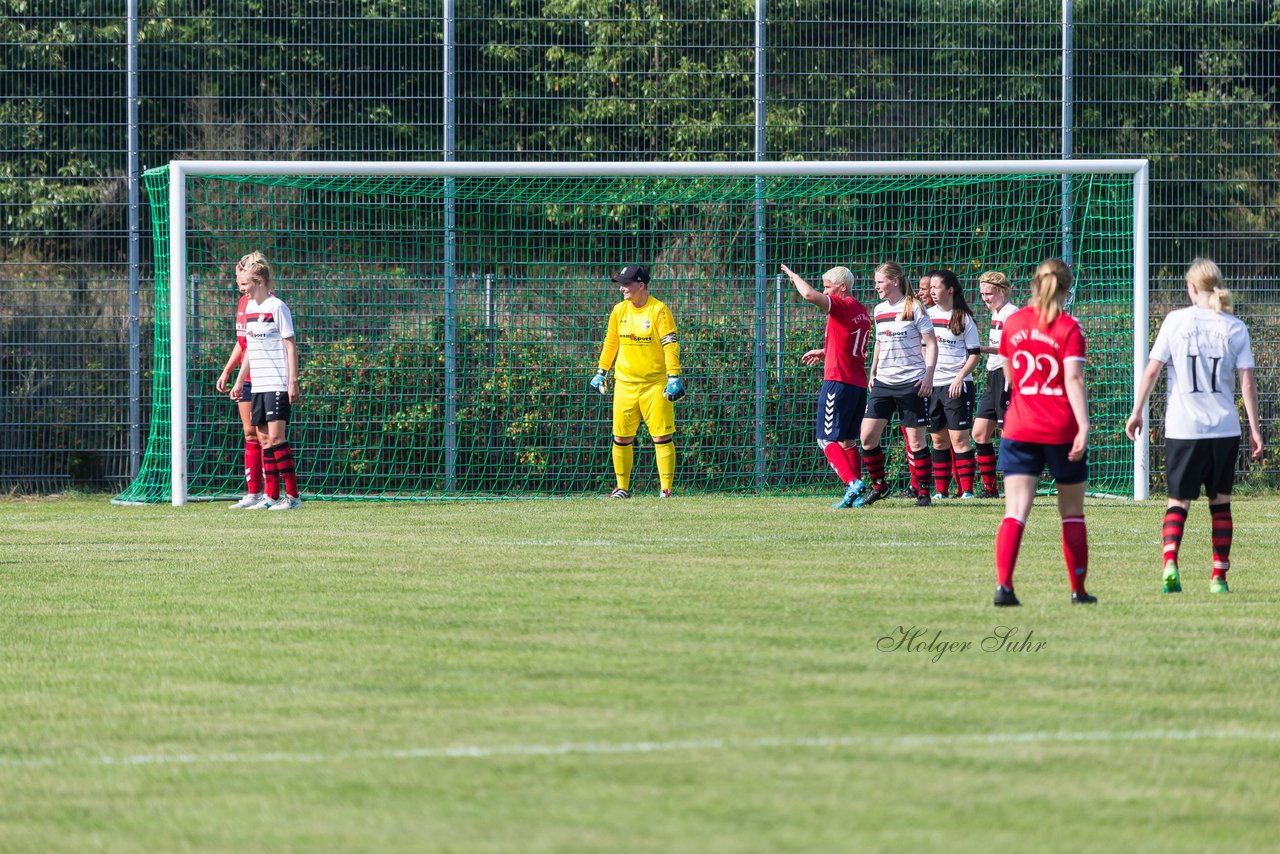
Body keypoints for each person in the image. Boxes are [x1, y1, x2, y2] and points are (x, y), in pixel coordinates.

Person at [1125, 258, 1263, 594]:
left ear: (1191, 289)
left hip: (1183, 429)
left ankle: (1170, 560)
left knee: (1178, 502)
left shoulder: (1175, 322)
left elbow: (1152, 370)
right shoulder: (1234, 326)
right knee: (1220, 504)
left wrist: (1137, 410)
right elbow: (1246, 384)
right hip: (1224, 429)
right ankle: (1218, 578)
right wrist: (1256, 431)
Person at [993, 259, 1094, 606]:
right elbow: (1073, 379)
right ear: (1065, 289)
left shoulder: (1014, 322)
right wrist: (1084, 425)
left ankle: (1004, 587)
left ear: (1034, 283)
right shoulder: (1069, 327)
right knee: (1072, 512)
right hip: (1060, 428)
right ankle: (1078, 591)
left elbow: (1009, 375)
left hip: (1019, 426)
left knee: (1015, 510)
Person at [783, 263, 873, 508]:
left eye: (828, 287)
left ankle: (852, 483)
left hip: (838, 382)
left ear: (842, 288)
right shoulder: (862, 311)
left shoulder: (842, 306)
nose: (825, 291)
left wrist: (794, 277)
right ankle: (856, 495)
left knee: (825, 439)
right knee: (847, 439)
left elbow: (809, 295)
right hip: (857, 385)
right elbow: (850, 344)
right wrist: (826, 351)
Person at [592, 264, 684, 498]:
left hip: (655, 384)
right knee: (621, 437)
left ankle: (666, 489)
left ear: (641, 285)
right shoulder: (618, 311)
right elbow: (611, 342)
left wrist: (673, 376)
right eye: (621, 284)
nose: (622, 288)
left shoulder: (659, 310)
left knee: (661, 436)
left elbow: (669, 344)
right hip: (625, 384)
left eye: (627, 284)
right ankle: (622, 488)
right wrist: (601, 371)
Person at [851, 261, 938, 507]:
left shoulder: (915, 307)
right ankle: (880, 485)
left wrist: (929, 375)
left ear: (895, 281)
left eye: (880, 281)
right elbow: (879, 341)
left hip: (912, 383)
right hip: (883, 383)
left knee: (916, 441)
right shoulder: (879, 310)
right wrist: (874, 370)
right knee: (867, 437)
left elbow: (931, 343)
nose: (876, 286)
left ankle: (923, 492)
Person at [229, 251, 302, 510]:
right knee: (263, 440)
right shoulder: (250, 308)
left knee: (276, 439)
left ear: (258, 281)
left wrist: (292, 381)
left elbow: (290, 346)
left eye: (245, 284)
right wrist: (239, 380)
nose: (242, 290)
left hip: (276, 382)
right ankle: (270, 497)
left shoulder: (277, 307)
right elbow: (249, 348)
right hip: (257, 384)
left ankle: (292, 497)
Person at [925, 269, 981, 499]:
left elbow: (975, 354)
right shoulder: (926, 315)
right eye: (930, 288)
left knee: (959, 439)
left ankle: (967, 491)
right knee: (938, 440)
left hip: (956, 386)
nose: (931, 292)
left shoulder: (964, 318)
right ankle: (941, 492)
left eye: (935, 287)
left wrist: (959, 378)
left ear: (950, 290)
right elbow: (922, 347)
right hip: (932, 385)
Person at [216, 257, 266, 508]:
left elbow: (258, 343)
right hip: (245, 377)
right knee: (249, 433)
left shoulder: (267, 304)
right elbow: (242, 341)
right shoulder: (242, 302)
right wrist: (227, 371)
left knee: (265, 435)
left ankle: (272, 493)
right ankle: (253, 492)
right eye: (238, 280)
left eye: (243, 280)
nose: (240, 285)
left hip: (264, 376)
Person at [972, 270, 1017, 498]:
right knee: (979, 433)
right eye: (982, 294)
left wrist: (980, 349)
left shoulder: (1012, 314)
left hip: (1007, 375)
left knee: (1009, 432)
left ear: (1001, 291)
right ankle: (990, 489)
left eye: (988, 293)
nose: (985, 299)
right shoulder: (996, 313)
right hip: (993, 375)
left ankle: (1016, 487)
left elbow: (1012, 349)